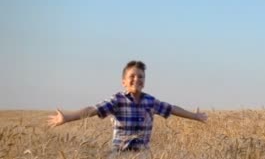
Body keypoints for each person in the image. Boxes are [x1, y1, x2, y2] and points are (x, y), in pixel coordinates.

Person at [47, 60, 208, 152]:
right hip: (119, 155)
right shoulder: (117, 100)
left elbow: (172, 109)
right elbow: (92, 110)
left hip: (143, 156)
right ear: (123, 82)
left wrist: (195, 116)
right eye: (132, 76)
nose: (136, 79)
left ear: (144, 81)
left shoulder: (150, 101)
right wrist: (67, 117)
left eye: (141, 77)